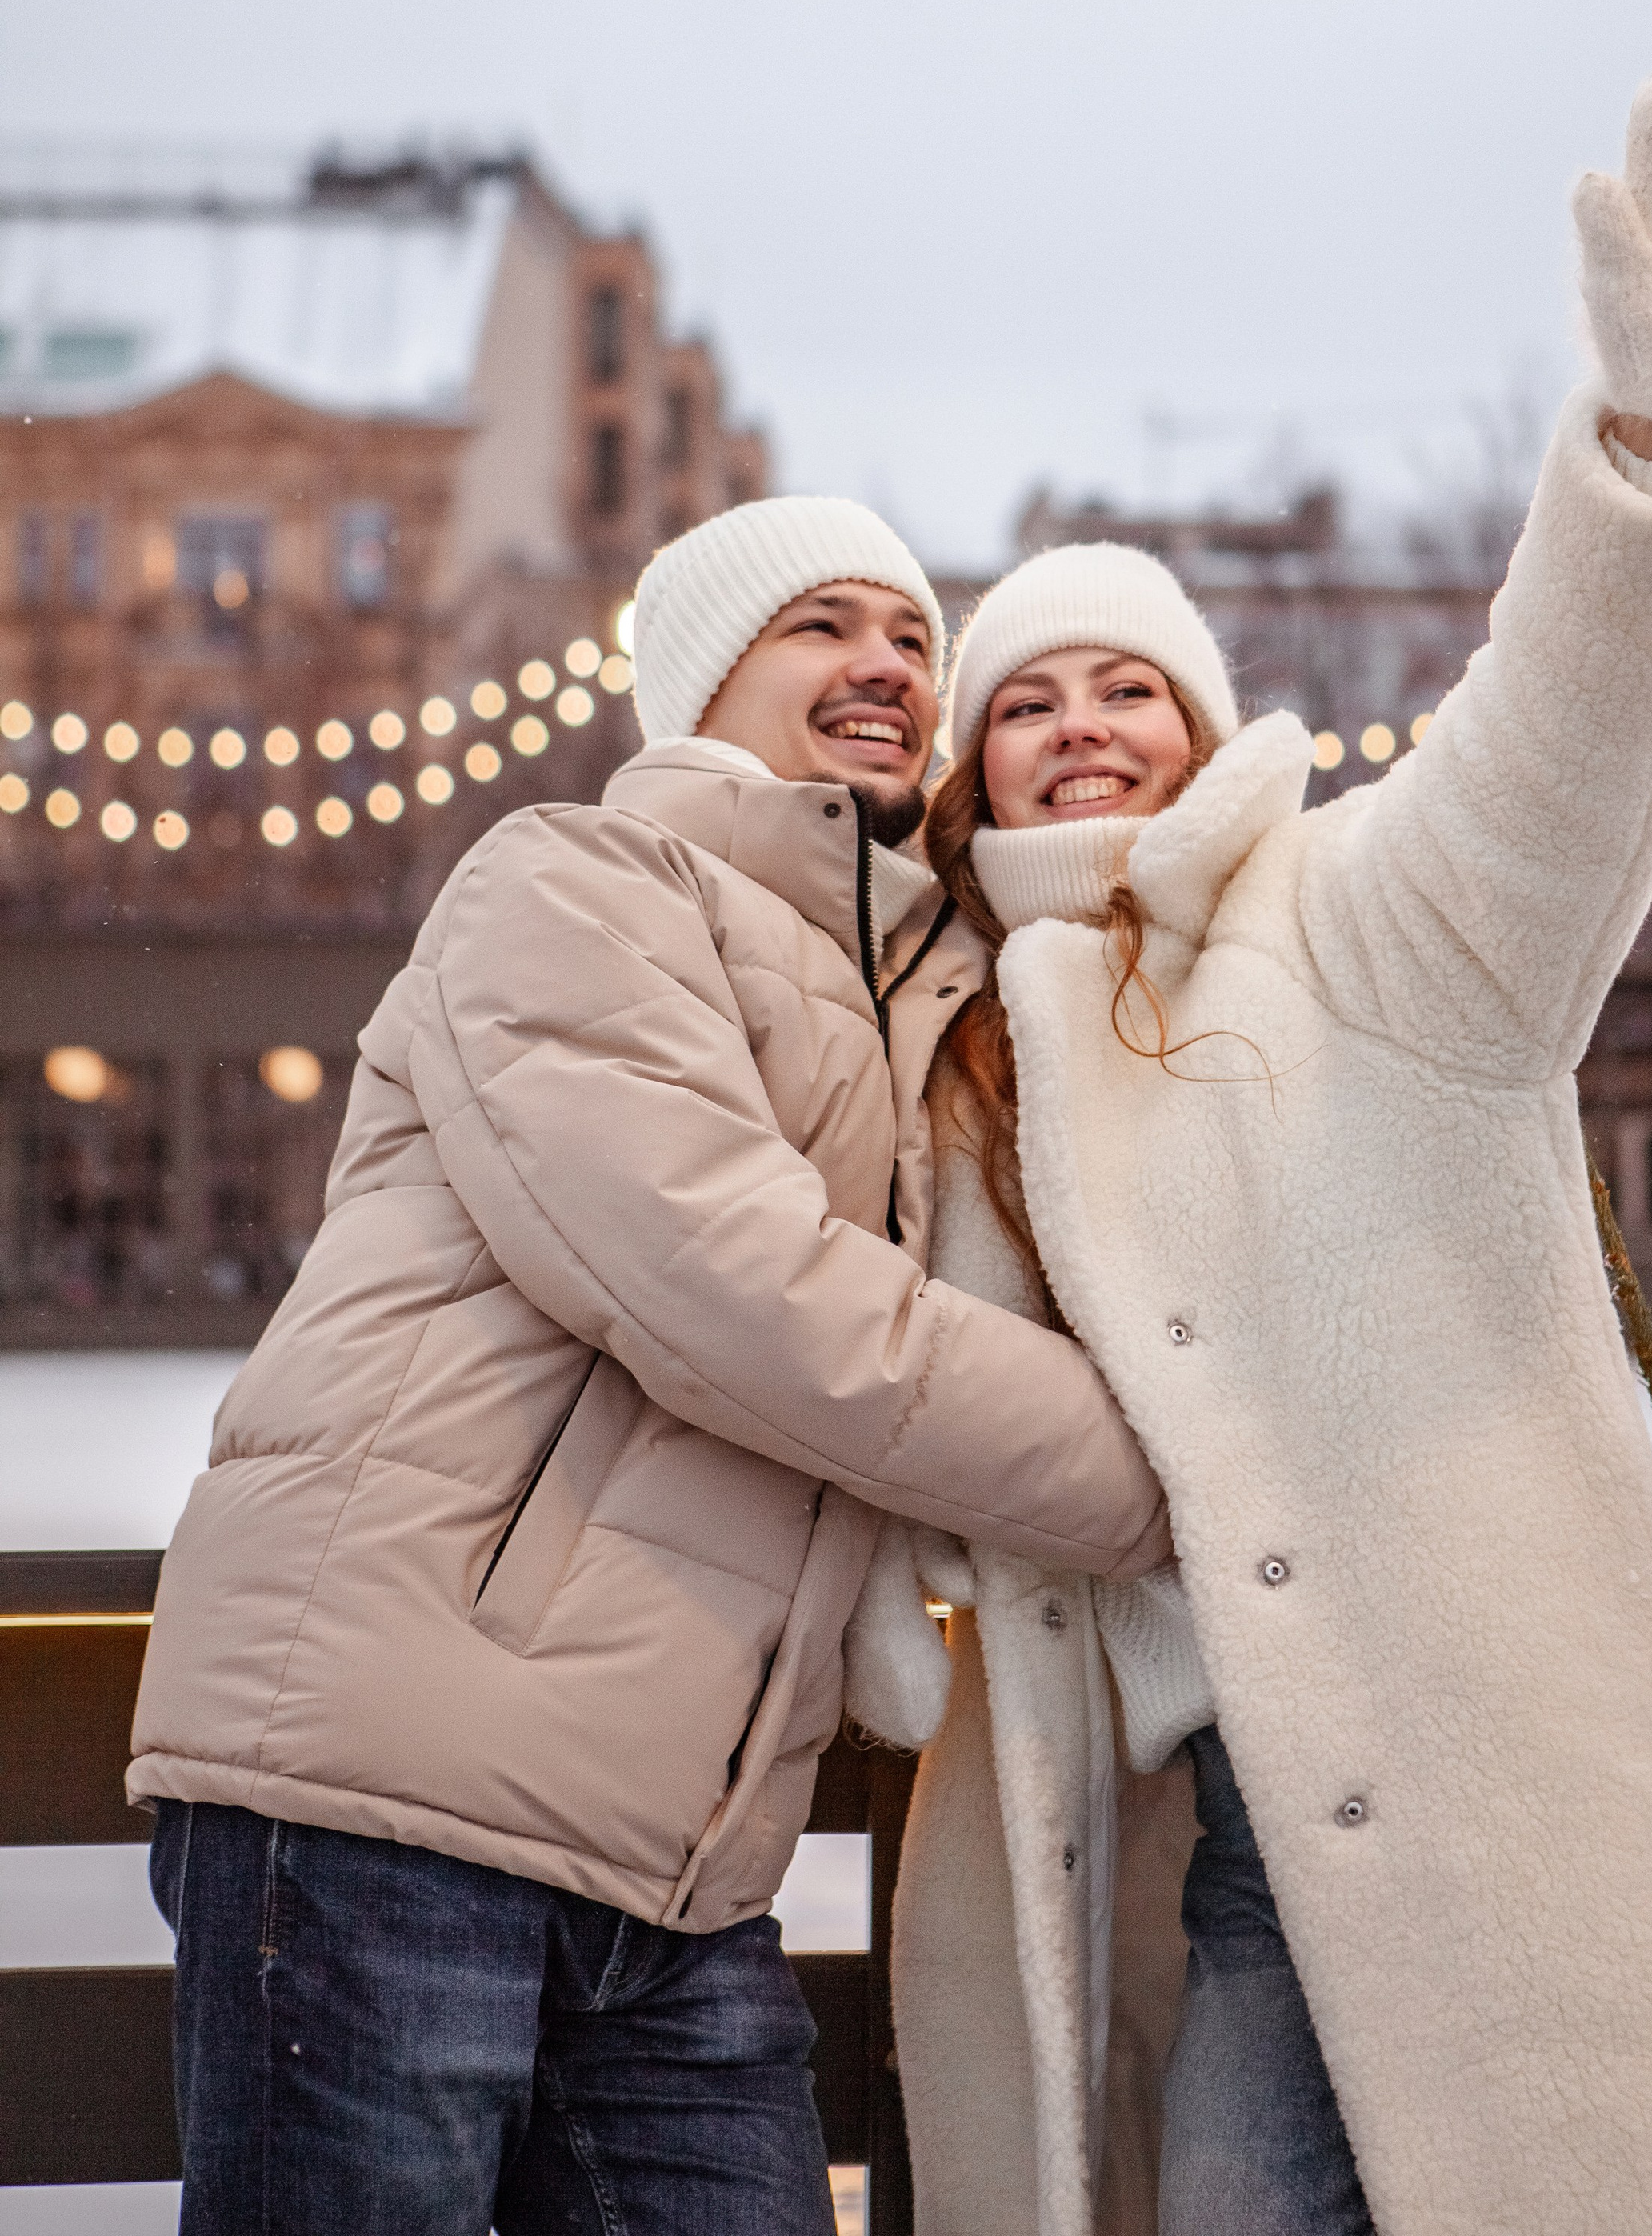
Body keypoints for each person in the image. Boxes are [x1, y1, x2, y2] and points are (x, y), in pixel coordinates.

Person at [849, 54, 1652, 2236]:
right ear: (977, 778)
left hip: (1477, 1812)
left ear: (1201, 731)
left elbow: (1558, 742)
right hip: (1214, 1862)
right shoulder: (944, 1062)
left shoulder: (1374, 926)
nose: (1083, 728)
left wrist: (1651, 446)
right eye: (1030, 702)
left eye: (1129, 693)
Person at [130, 494, 1173, 2236]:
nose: (887, 667)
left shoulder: (922, 996)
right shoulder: (577, 882)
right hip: (393, 1787)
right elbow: (735, 1294)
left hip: (680, 1868)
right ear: (701, 682)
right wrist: (1178, 1479)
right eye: (822, 626)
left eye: (915, 637)